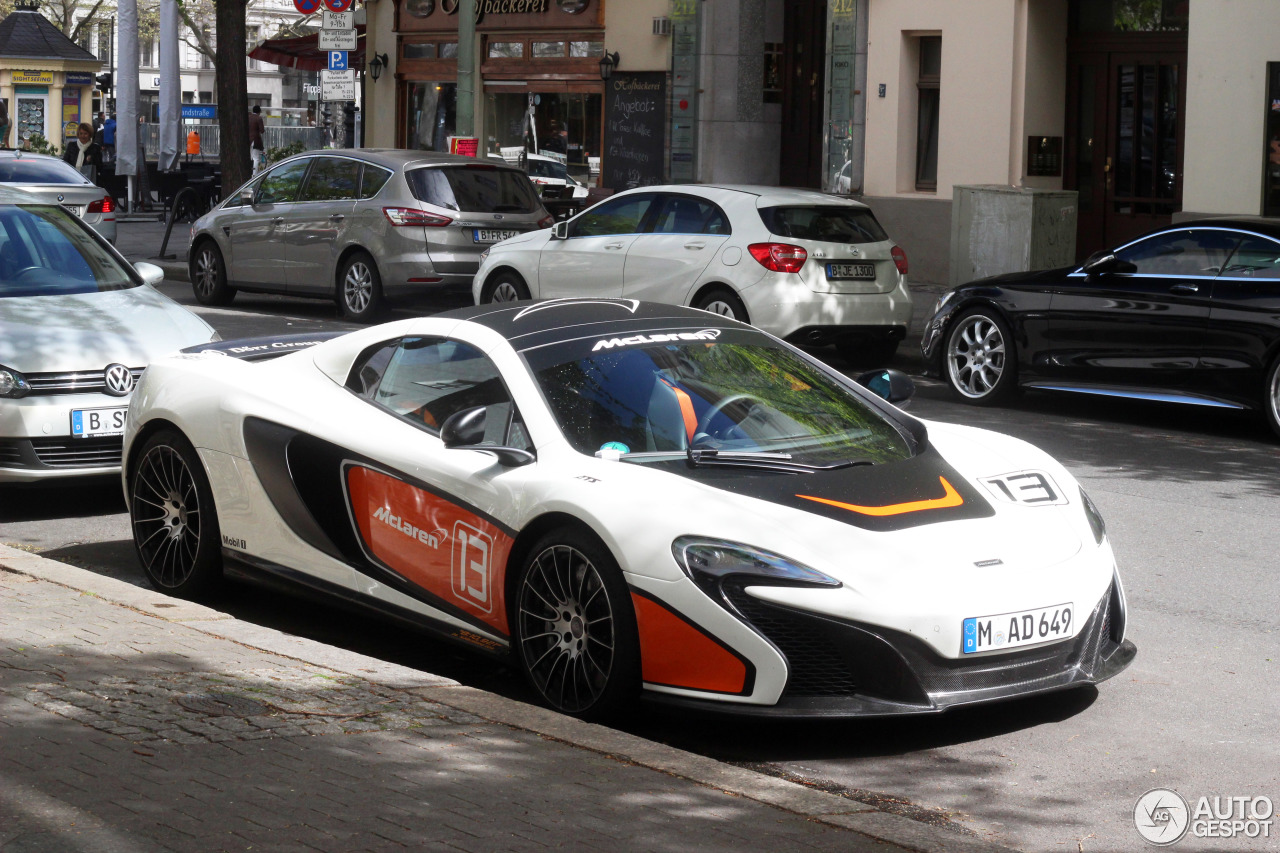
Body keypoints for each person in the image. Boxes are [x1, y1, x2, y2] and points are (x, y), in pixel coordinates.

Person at [249, 105, 266, 173]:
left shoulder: (248, 117)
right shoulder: (258, 118)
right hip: (255, 140)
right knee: (256, 158)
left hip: (248, 141)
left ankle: (250, 173)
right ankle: (254, 175)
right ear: (259, 111)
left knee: (251, 157)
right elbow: (262, 130)